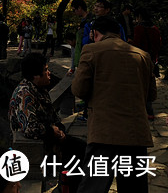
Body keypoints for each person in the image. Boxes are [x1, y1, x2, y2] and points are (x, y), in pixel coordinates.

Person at [72, 16, 156, 193]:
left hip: (104, 132)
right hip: (135, 133)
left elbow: (79, 89)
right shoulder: (143, 55)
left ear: (95, 33)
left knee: (93, 187)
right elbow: (151, 95)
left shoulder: (91, 50)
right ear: (118, 33)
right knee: (134, 188)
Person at [9, 53, 86, 191]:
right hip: (40, 146)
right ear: (35, 75)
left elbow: (54, 117)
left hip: (53, 139)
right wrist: (53, 131)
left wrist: (59, 130)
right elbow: (30, 128)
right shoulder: (24, 94)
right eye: (45, 70)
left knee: (83, 149)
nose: (49, 73)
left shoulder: (40, 89)